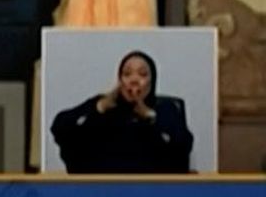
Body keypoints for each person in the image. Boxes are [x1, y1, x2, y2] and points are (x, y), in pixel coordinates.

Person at [51, 50, 194, 173]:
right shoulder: (103, 106)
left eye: (142, 74)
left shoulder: (165, 110)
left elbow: (183, 146)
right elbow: (60, 128)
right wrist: (99, 107)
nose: (134, 80)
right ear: (119, 81)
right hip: (102, 189)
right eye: (127, 74)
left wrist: (150, 116)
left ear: (152, 81)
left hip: (151, 190)